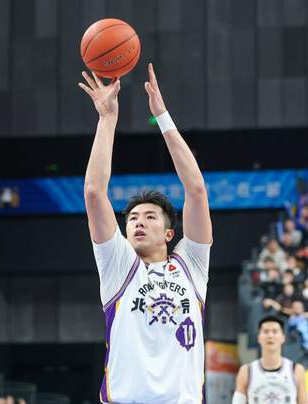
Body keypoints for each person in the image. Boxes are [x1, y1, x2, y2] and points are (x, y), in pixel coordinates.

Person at [79, 64, 212, 403]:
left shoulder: (191, 265)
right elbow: (94, 192)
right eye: (133, 218)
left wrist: (162, 117)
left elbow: (196, 190)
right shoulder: (118, 264)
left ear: (169, 234)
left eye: (150, 217)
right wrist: (107, 118)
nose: (138, 222)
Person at [233, 316, 307, 404]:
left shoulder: (296, 370)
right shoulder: (246, 371)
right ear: (259, 338)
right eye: (266, 332)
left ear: (283, 338)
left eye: (275, 331)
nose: (270, 336)